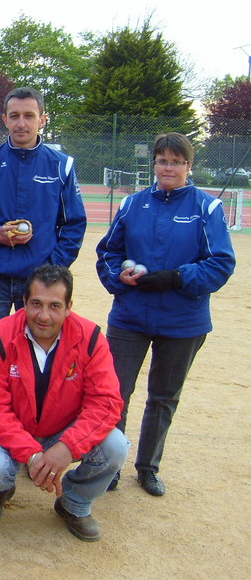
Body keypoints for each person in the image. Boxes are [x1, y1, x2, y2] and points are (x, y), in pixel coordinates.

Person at [96, 132, 234, 497]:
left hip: (183, 321)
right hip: (129, 318)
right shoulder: (133, 204)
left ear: (189, 166)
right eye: (162, 161)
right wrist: (119, 277)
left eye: (176, 161)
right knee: (114, 394)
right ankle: (108, 465)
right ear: (153, 164)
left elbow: (221, 264)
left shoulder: (207, 208)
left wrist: (176, 277)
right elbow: (108, 253)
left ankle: (148, 467)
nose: (168, 167)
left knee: (163, 396)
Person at [0, 264, 128, 542]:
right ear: (23, 303)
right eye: (36, 304)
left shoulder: (91, 339)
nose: (44, 316)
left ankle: (74, 502)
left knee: (116, 446)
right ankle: (0, 490)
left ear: (69, 307)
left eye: (54, 306)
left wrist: (66, 448)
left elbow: (106, 403)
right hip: (14, 431)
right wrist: (32, 455)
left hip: (63, 432)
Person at [0, 87, 86, 335]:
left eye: (29, 116)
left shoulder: (61, 166)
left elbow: (73, 223)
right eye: (15, 115)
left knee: (34, 344)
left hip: (39, 276)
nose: (21, 123)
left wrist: (52, 267)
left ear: (42, 119)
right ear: (4, 120)